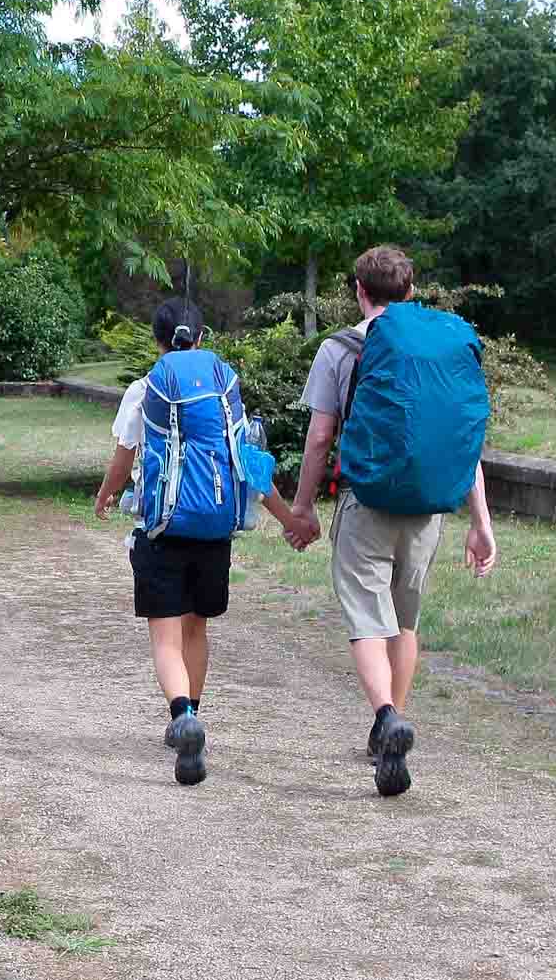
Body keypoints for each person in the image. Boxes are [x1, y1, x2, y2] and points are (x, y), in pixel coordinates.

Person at [288, 245, 499, 797]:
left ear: (359, 291)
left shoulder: (341, 349)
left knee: (366, 618)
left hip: (366, 501)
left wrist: (303, 506)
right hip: (427, 509)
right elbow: (462, 441)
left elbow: (320, 437)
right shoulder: (440, 348)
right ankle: (392, 726)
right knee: (404, 622)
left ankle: (385, 716)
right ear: (411, 291)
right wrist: (481, 522)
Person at [95, 297, 315, 786]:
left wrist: (106, 494)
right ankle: (193, 710)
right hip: (215, 531)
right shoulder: (222, 392)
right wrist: (289, 519)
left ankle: (181, 717)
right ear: (201, 338)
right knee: (196, 630)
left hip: (160, 531)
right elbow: (247, 464)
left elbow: (124, 459)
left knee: (165, 637)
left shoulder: (143, 389)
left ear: (157, 341)